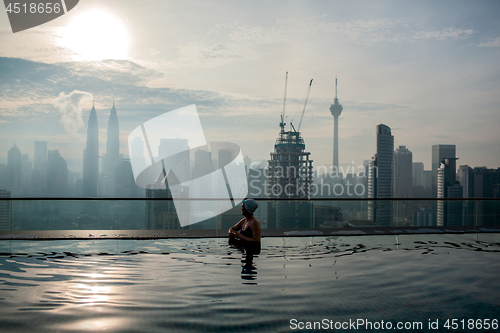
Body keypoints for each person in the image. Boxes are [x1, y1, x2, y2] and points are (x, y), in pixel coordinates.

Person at [228, 198, 261, 272]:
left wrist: (240, 236)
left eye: (243, 206)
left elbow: (256, 240)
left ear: (247, 209)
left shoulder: (254, 222)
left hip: (252, 249)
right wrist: (231, 233)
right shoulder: (244, 221)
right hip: (244, 247)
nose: (241, 208)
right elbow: (232, 228)